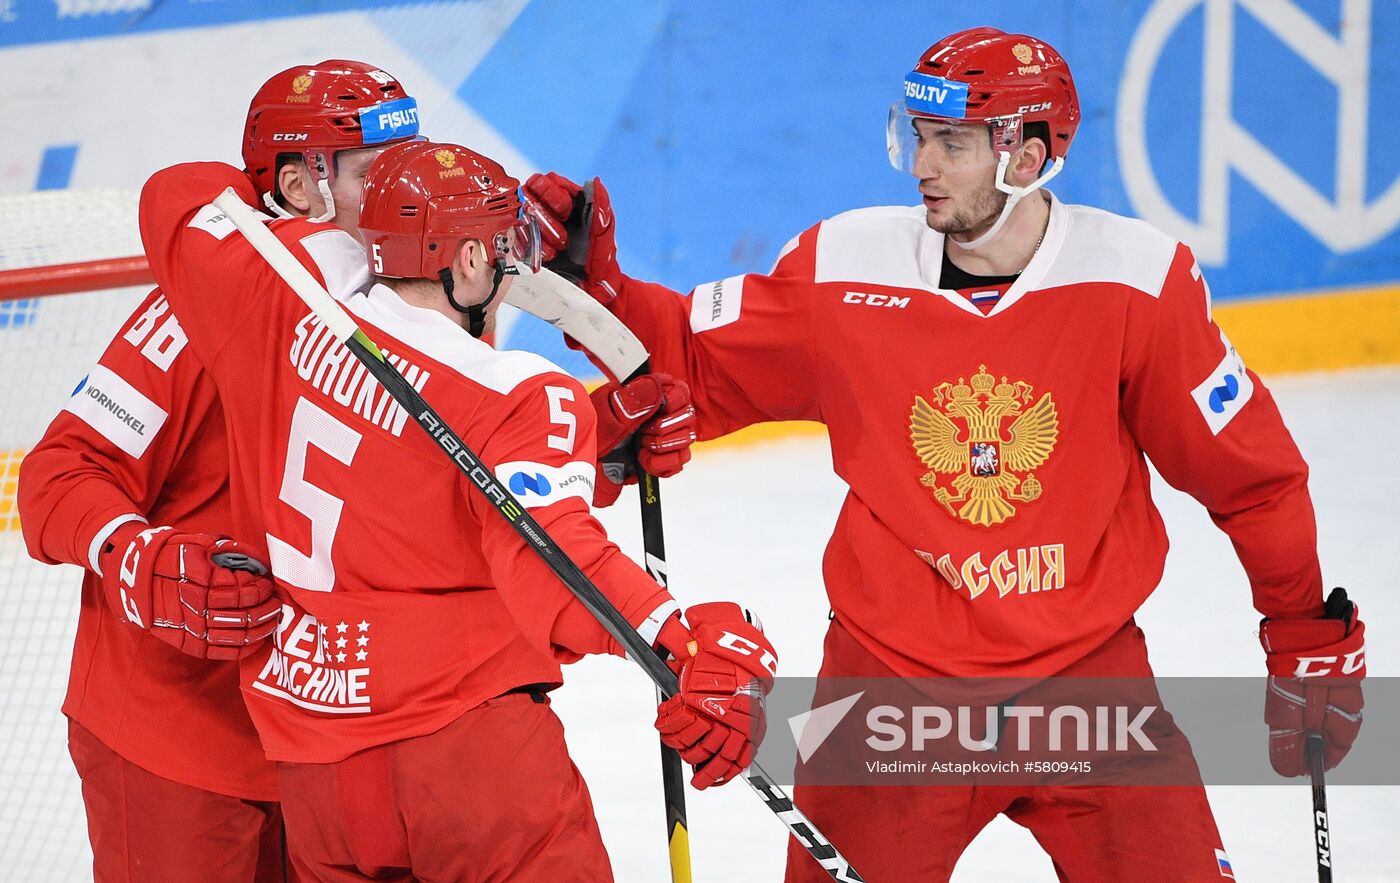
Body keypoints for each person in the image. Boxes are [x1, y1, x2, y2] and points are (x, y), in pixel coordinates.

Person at [524, 26, 1368, 882]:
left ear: (1030, 155)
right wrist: (597, 292)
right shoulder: (846, 265)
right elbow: (693, 365)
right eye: (918, 136)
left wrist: (1301, 624)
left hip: (1086, 683)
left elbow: (1250, 476)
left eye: (952, 144)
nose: (922, 165)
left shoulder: (1136, 283)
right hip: (893, 688)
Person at [135, 139, 777, 882]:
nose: (512, 271)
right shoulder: (520, 391)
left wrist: (317, 238)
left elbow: (173, 193)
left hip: (319, 775)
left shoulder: (278, 290)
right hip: (470, 762)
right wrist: (678, 638)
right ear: (468, 262)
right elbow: (551, 555)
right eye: (503, 248)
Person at [17, 59, 427, 883]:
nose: (402, 192)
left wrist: (597, 444)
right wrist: (136, 556)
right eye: (372, 173)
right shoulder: (210, 302)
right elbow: (57, 474)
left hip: (337, 740)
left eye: (408, 163)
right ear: (299, 186)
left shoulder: (413, 301)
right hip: (177, 741)